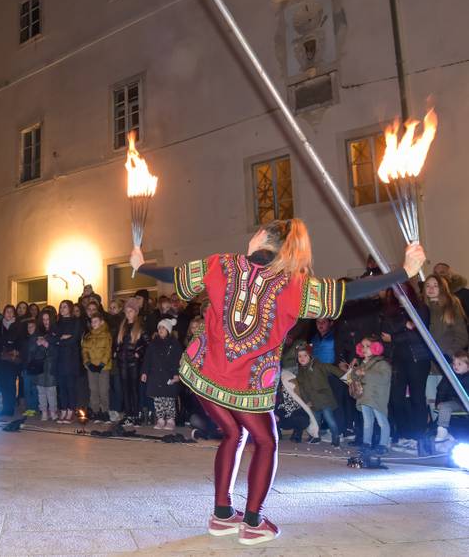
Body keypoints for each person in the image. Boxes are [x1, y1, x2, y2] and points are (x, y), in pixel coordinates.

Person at [131, 218, 425, 544]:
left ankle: (223, 514)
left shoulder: (222, 264)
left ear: (260, 237)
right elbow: (347, 292)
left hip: (205, 373)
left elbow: (175, 276)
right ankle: (253, 522)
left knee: (234, 433)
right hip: (246, 384)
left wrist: (142, 266)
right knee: (267, 441)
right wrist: (403, 272)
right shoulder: (293, 286)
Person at [380, 285, 432, 450]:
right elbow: (385, 334)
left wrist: (396, 336)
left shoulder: (420, 308)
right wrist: (406, 325)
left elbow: (418, 334)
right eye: (395, 288)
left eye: (401, 287)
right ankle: (405, 434)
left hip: (418, 358)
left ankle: (418, 436)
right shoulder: (391, 311)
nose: (398, 291)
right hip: (397, 359)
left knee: (417, 397)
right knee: (396, 398)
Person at [295, 343, 344, 446]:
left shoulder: (319, 365)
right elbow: (302, 388)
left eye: (305, 355)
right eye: (299, 356)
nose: (302, 358)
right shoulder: (300, 372)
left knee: (330, 419)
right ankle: (316, 436)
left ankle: (336, 437)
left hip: (324, 398)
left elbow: (333, 369)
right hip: (313, 401)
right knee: (315, 421)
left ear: (310, 356)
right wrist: (306, 400)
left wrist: (348, 378)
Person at [351, 336, 392, 453]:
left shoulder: (382, 363)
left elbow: (384, 378)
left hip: (376, 398)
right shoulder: (363, 364)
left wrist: (365, 373)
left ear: (376, 347)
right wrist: (355, 372)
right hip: (365, 397)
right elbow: (354, 377)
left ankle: (383, 444)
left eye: (368, 346)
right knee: (367, 422)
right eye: (362, 346)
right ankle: (366, 443)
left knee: (382, 422)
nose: (364, 349)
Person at [141, 319, 183, 430]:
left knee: (169, 399)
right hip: (155, 376)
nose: (160, 330)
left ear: (168, 330)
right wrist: (144, 372)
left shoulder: (174, 344)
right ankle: (160, 419)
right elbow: (147, 359)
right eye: (159, 327)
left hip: (168, 375)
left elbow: (178, 360)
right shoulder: (153, 344)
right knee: (158, 399)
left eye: (163, 327)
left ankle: (170, 419)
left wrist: (176, 374)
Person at [114, 298, 148, 425]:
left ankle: (136, 414)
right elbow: (117, 342)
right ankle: (128, 414)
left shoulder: (140, 327)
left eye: (131, 311)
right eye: (126, 311)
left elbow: (147, 344)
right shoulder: (122, 326)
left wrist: (139, 353)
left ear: (136, 312)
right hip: (122, 362)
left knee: (134, 389)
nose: (128, 313)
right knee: (125, 389)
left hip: (134, 363)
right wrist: (116, 351)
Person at [422, 274, 468, 357]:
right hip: (427, 357)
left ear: (442, 287)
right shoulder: (421, 306)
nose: (431, 288)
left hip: (446, 356)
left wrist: (449, 353)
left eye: (435, 285)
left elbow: (462, 336)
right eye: (428, 285)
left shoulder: (451, 305)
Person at [0, 305, 23, 417]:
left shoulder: (18, 326)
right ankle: (5, 407)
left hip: (12, 360)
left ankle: (10, 408)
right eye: (7, 311)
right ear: (4, 313)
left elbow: (19, 342)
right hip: (1, 360)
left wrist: (8, 343)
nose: (9, 314)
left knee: (11, 384)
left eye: (11, 312)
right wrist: (8, 342)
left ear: (14, 314)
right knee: (3, 385)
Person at [54, 300, 82, 424]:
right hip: (59, 358)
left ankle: (71, 411)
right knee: (62, 387)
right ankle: (63, 410)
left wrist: (60, 340)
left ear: (70, 308)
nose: (62, 309)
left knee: (70, 386)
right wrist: (61, 338)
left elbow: (74, 339)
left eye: (64, 307)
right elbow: (53, 338)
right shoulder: (57, 322)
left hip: (71, 359)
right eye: (61, 307)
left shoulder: (76, 322)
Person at [82, 314, 112, 422]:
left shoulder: (106, 335)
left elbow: (108, 350)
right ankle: (95, 411)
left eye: (96, 321)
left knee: (103, 390)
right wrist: (88, 363)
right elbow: (84, 351)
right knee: (93, 390)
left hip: (103, 368)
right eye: (92, 322)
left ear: (101, 322)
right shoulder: (88, 336)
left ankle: (105, 411)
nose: (93, 324)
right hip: (91, 368)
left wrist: (102, 364)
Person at [435, 351, 469, 442]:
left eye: (459, 364)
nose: (455, 366)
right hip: (455, 402)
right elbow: (441, 389)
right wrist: (439, 402)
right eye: (454, 364)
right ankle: (442, 431)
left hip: (466, 402)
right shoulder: (449, 376)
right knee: (444, 406)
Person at [31, 311, 58, 421]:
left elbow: (58, 350)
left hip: (51, 364)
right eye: (43, 319)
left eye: (47, 319)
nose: (46, 322)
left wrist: (47, 345)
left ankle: (53, 411)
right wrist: (37, 344)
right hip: (40, 364)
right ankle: (44, 411)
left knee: (51, 390)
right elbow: (30, 349)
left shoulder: (56, 332)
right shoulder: (37, 332)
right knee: (41, 389)